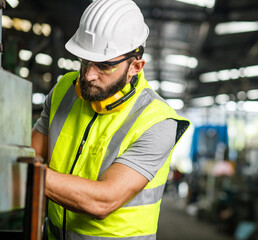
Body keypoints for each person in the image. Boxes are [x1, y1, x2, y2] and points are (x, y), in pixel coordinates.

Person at [31, 0, 190, 239]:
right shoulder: (64, 90)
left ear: (135, 67)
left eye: (104, 66)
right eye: (85, 60)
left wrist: (21, 170)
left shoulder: (158, 121)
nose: (89, 75)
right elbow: (31, 153)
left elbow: (102, 201)